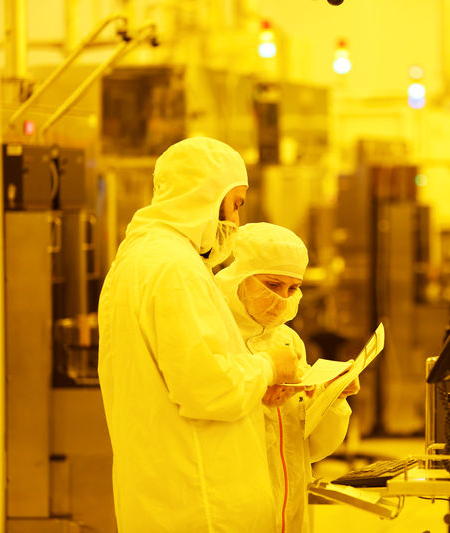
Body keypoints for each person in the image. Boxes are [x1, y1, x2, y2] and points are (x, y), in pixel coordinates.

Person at [98, 137, 300, 532]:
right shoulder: (173, 268)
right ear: (207, 195)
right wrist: (269, 366)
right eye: (236, 204)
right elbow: (209, 389)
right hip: (200, 504)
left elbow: (186, 374)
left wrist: (256, 386)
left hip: (167, 496)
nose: (236, 223)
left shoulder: (140, 260)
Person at [215, 222, 358, 533]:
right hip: (234, 507)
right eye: (272, 285)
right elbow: (207, 409)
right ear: (238, 277)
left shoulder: (288, 341)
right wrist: (258, 396)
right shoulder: (215, 335)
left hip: (291, 504)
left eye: (293, 288)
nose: (283, 298)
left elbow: (312, 445)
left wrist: (332, 396)